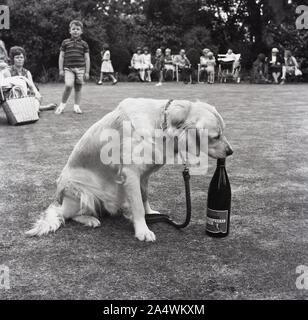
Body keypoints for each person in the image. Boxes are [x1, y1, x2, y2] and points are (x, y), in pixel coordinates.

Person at [2, 46, 56, 113]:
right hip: (13, 96)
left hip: (27, 95)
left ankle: (35, 109)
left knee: (36, 91)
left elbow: (32, 86)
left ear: (24, 58)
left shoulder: (27, 72)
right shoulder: (8, 71)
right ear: (13, 59)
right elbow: (9, 89)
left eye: (21, 57)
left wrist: (37, 93)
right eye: (17, 57)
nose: (20, 59)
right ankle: (38, 109)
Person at [55, 20, 90, 115]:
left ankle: (76, 107)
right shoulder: (65, 42)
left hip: (81, 69)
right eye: (73, 29)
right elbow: (61, 56)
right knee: (69, 85)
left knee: (78, 88)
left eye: (78, 29)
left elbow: (87, 58)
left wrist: (87, 72)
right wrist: (61, 69)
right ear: (70, 31)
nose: (75, 31)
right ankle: (62, 105)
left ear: (81, 31)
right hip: (68, 68)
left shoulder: (84, 44)